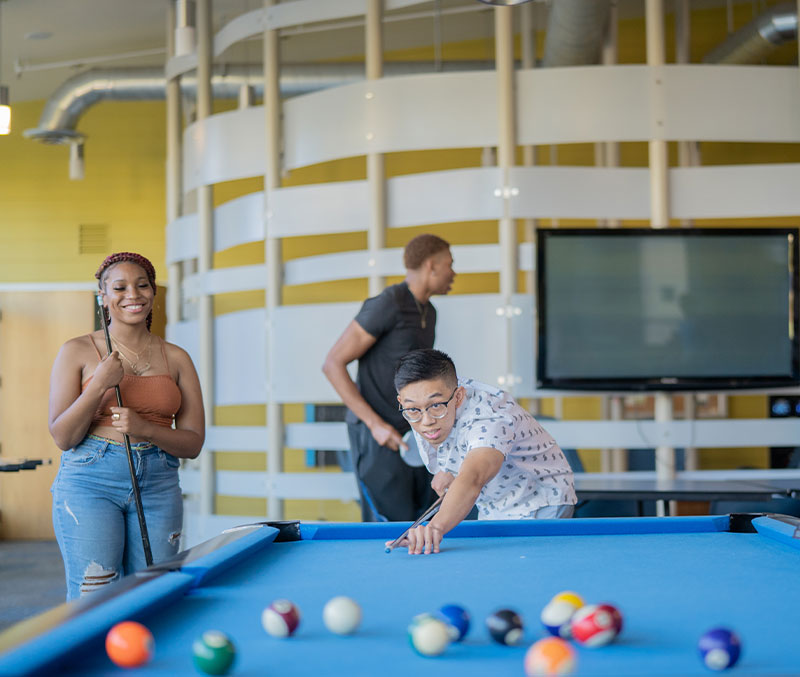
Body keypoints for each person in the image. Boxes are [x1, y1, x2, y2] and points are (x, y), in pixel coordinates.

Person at [48, 252, 205, 600]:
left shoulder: (177, 358)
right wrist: (100, 384)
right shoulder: (76, 351)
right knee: (97, 593)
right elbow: (63, 436)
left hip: (159, 483)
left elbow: (193, 443)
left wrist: (146, 429)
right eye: (119, 287)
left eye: (142, 285)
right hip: (90, 482)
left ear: (153, 294)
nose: (132, 294)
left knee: (155, 591)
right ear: (103, 297)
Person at [390, 349, 576, 554]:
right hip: (494, 502)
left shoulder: (489, 418)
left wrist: (434, 528)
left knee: (527, 569)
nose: (426, 421)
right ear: (402, 402)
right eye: (414, 410)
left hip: (539, 500)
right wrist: (449, 470)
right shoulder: (423, 403)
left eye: (435, 406)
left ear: (458, 396)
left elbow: (473, 478)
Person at [322, 234, 455, 521]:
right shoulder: (388, 303)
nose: (453, 273)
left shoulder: (428, 313)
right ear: (431, 266)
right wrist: (376, 425)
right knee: (387, 527)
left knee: (424, 521)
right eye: (449, 265)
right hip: (377, 436)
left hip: (412, 434)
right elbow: (333, 363)